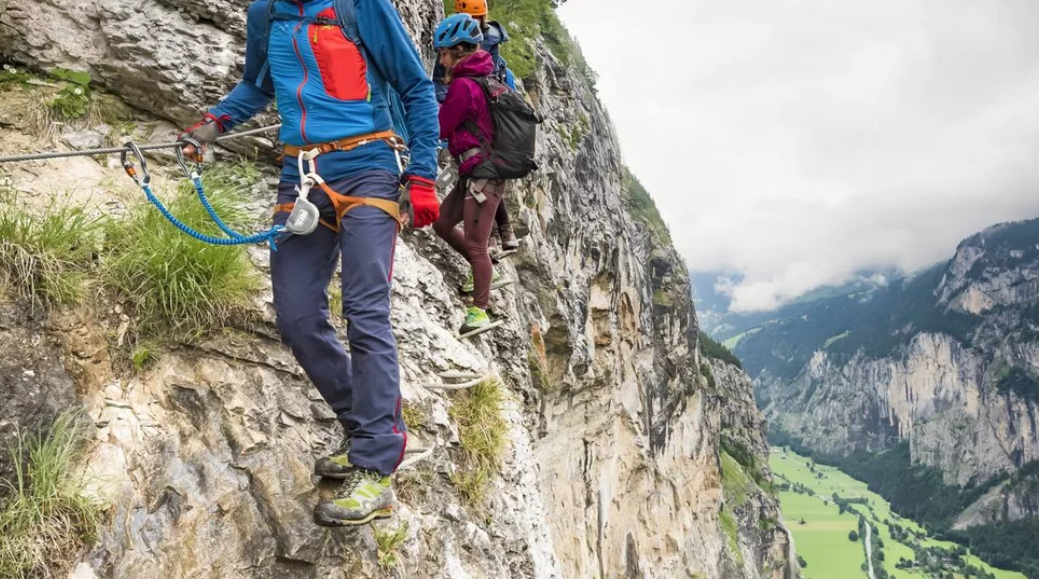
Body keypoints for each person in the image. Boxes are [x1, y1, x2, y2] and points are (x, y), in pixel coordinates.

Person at [180, 0, 440, 526]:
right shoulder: (266, 12)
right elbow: (258, 85)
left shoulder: (361, 6)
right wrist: (212, 123)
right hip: (300, 178)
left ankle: (376, 467)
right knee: (296, 317)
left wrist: (424, 173)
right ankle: (361, 426)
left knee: (366, 311)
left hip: (370, 166)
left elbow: (416, 87)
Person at [431, 13, 509, 338]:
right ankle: (481, 269)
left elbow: (440, 126)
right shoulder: (485, 78)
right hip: (476, 171)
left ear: (460, 50)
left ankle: (480, 311)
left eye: (445, 53)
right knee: (441, 223)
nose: (441, 59)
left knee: (477, 246)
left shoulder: (465, 86)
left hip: (483, 175)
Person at [434, 0, 519, 254]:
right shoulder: (493, 53)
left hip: (469, 130)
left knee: (482, 180)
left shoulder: (459, 46)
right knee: (486, 177)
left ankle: (490, 242)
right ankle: (503, 232)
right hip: (490, 134)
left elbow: (442, 86)